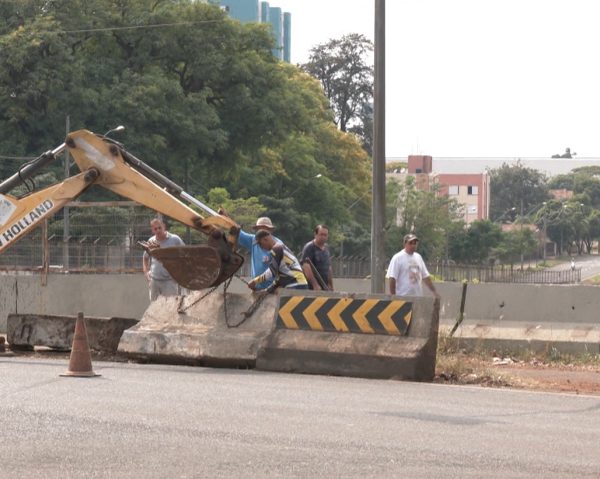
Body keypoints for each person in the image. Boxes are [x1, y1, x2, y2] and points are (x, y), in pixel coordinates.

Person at [142, 217, 185, 301]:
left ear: (164, 227)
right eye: (155, 229)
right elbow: (145, 258)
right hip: (154, 281)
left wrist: (179, 273)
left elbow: (185, 254)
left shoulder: (175, 239)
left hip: (169, 281)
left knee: (170, 306)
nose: (158, 230)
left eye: (159, 228)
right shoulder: (151, 241)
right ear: (152, 230)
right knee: (154, 307)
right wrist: (146, 272)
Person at [386, 233, 440, 298]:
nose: (413, 245)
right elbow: (392, 278)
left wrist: (434, 291)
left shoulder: (418, 257)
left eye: (415, 243)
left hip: (417, 297)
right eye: (410, 243)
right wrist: (394, 296)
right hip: (403, 297)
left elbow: (425, 277)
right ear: (405, 244)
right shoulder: (397, 258)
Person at [237, 217, 281, 290]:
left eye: (265, 229)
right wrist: (226, 218)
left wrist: (255, 281)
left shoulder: (278, 246)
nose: (262, 232)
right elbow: (237, 232)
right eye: (260, 229)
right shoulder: (253, 241)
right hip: (256, 288)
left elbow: (274, 271)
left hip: (273, 289)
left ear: (270, 231)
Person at [301, 224, 334, 291]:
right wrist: (315, 285)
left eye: (325, 235)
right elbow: (306, 267)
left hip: (325, 287)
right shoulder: (309, 247)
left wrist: (330, 285)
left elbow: (329, 268)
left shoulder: (326, 248)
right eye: (321, 234)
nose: (323, 237)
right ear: (315, 234)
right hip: (312, 288)